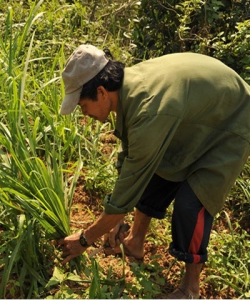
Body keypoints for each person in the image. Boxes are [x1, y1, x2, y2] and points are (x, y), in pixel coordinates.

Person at [57, 44, 250, 298]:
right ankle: (135, 242)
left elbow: (134, 173)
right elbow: (133, 162)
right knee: (156, 173)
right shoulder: (130, 88)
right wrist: (116, 216)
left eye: (82, 105)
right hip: (197, 118)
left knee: (192, 204)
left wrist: (86, 238)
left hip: (233, 119)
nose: (84, 113)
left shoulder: (148, 107)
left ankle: (189, 289)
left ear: (101, 92)